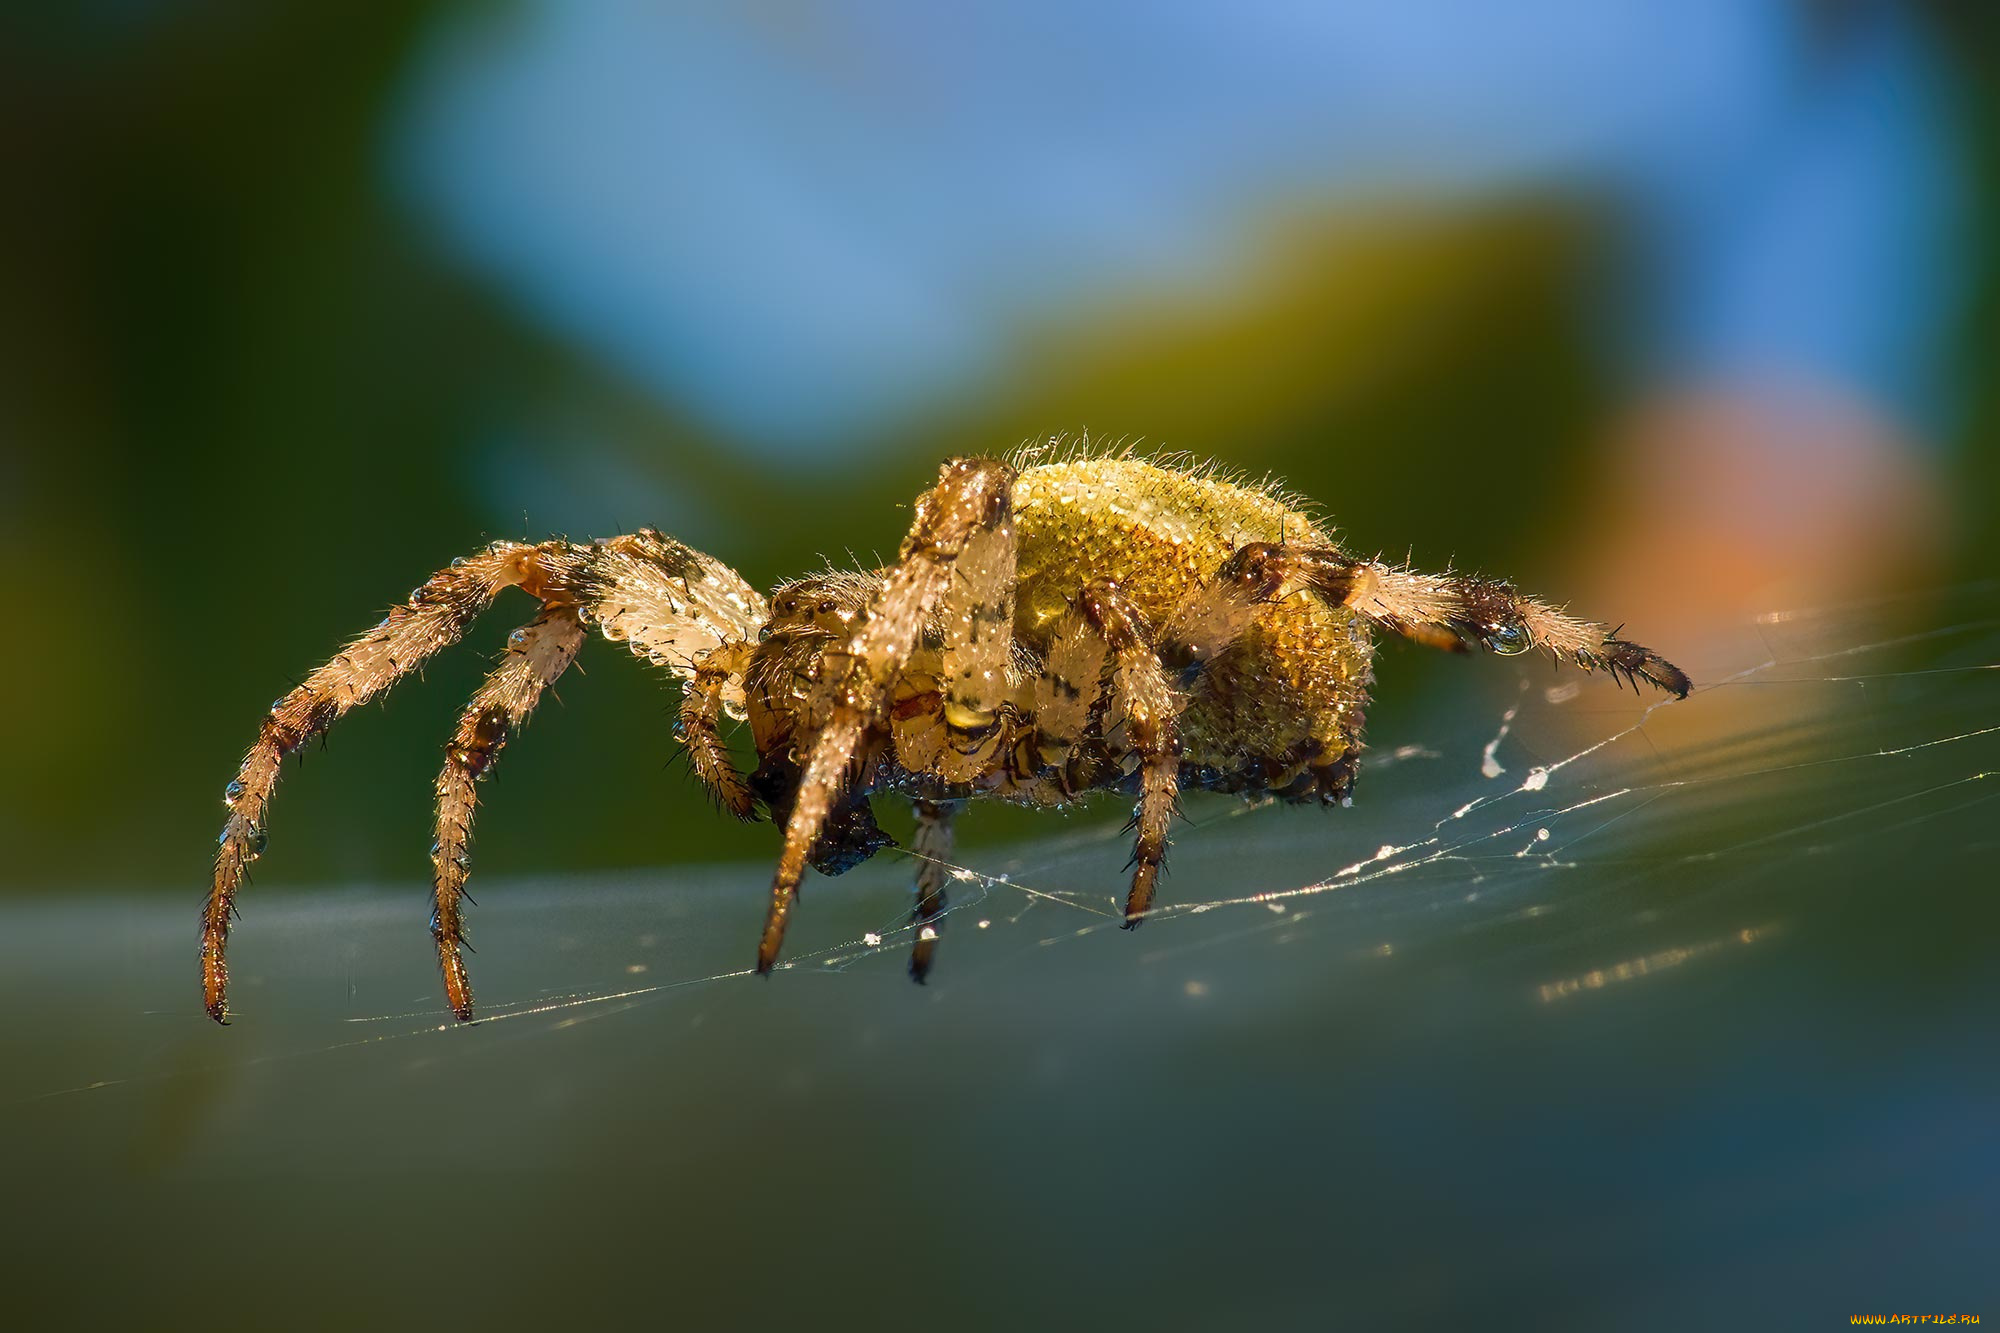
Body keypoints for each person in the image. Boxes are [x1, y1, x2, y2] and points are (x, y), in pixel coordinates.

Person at [399, 0, 1964, 661]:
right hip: (501, 373)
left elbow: (1806, 154)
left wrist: (1775, 440)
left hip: (1025, 570)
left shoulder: (1670, 66)